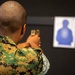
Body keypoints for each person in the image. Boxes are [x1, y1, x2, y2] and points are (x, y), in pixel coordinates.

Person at [0, 1, 50, 75]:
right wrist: (33, 43)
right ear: (23, 29)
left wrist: (22, 45)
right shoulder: (28, 60)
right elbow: (44, 65)